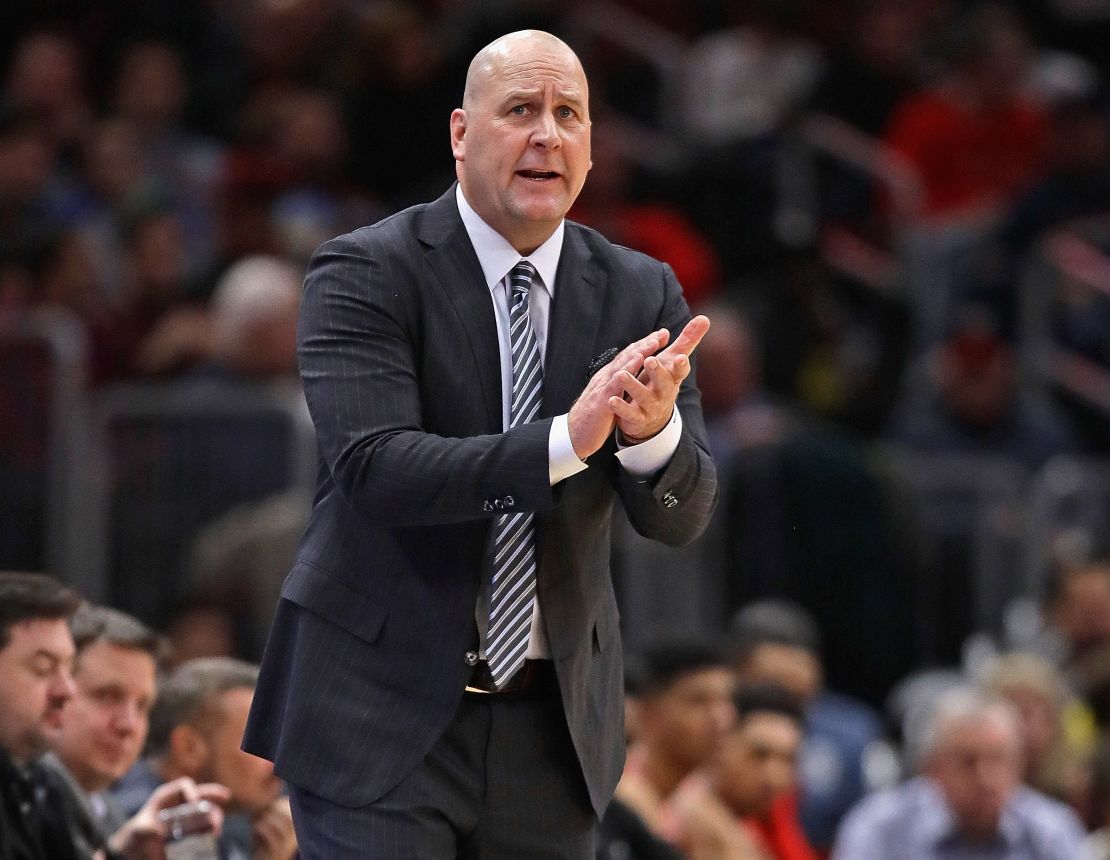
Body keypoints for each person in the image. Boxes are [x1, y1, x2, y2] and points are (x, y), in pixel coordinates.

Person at [242, 28, 717, 858]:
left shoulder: (643, 290)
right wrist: (567, 441)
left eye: (570, 114)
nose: (547, 135)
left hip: (552, 725)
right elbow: (378, 469)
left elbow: (680, 517)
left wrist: (650, 437)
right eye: (521, 111)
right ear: (461, 134)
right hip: (375, 713)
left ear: (594, 147)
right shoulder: (366, 270)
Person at [0, 572, 224, 860]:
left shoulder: (28, 785)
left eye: (143, 706)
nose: (65, 692)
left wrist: (122, 853)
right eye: (43, 668)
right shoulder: (41, 786)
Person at [832, 687, 1085, 859]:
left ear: (1019, 764)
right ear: (932, 768)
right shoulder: (880, 827)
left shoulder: (1051, 829)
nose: (986, 778)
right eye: (967, 762)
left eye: (998, 759)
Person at [113, 657, 296, 860]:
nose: (277, 762)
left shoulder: (234, 822)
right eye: (258, 742)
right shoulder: (142, 824)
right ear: (189, 747)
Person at [43, 604, 165, 857]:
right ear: (55, 691)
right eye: (107, 696)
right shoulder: (17, 808)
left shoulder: (119, 817)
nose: (128, 725)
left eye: (142, 706)